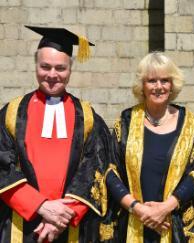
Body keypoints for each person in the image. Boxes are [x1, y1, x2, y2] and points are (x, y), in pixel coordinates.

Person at [0, 25, 112, 243]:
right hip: (20, 223)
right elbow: (2, 164)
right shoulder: (11, 113)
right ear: (36, 66)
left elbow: (95, 168)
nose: (52, 75)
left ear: (70, 69)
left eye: (60, 68)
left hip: (70, 225)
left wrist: (60, 217)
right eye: (45, 66)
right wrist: (40, 206)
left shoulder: (88, 117)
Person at [106, 52, 194, 242]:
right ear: (142, 85)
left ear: (172, 84)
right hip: (131, 225)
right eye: (152, 81)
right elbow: (110, 171)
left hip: (175, 227)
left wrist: (165, 208)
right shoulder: (125, 123)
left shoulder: (192, 126)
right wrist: (138, 209)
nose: (158, 87)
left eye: (165, 80)